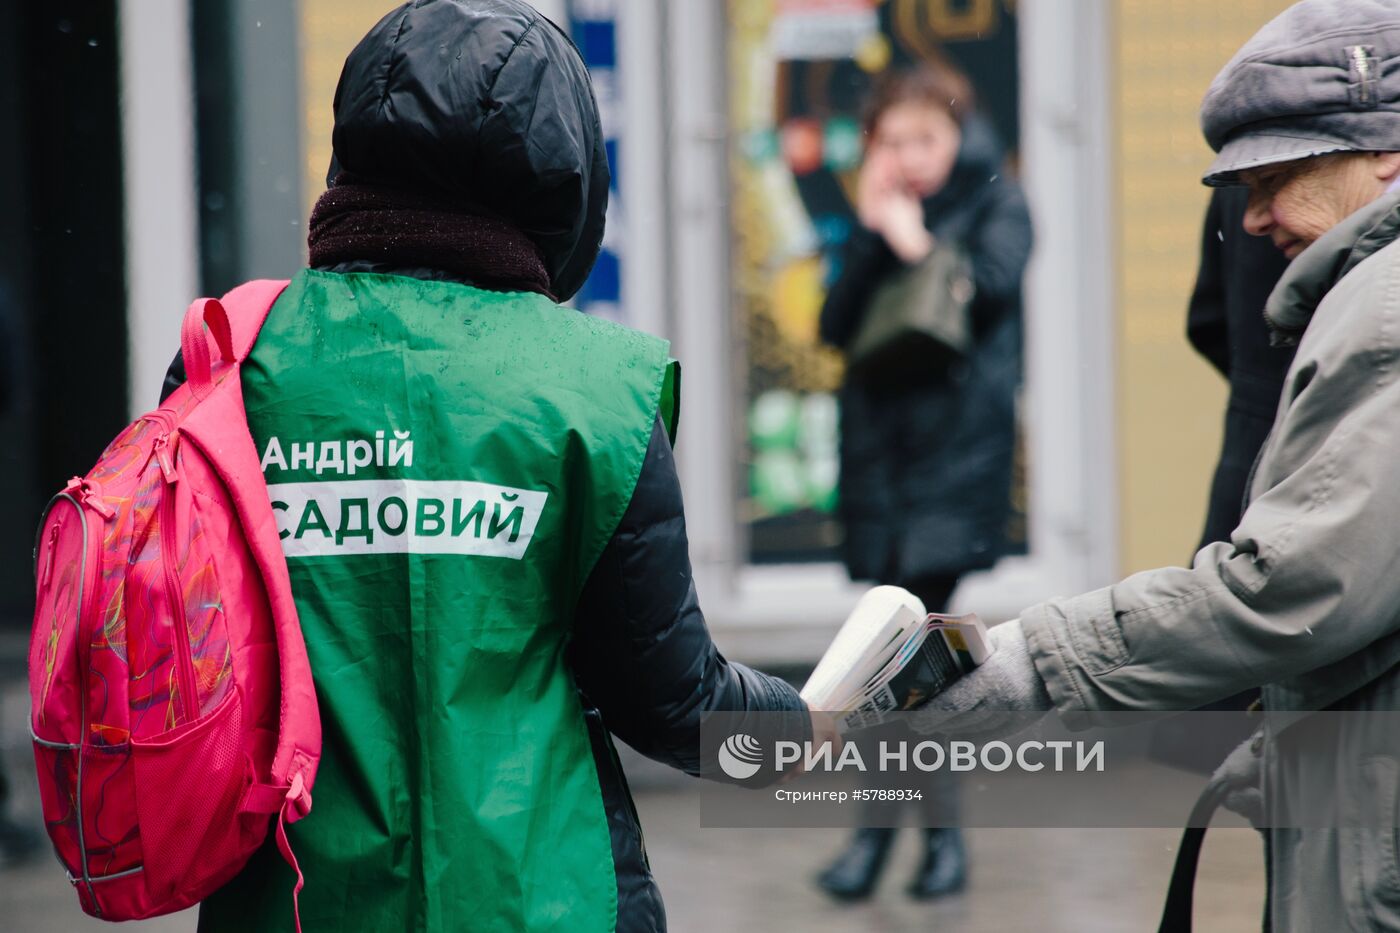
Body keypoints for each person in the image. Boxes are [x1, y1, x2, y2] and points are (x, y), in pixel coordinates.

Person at [161, 3, 829, 930]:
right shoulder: (600, 388)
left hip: (296, 900)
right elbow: (674, 703)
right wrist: (809, 732)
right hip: (541, 895)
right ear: (562, 179)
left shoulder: (233, 358)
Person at [925, 1, 1400, 928]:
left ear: (1386, 149)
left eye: (1280, 176)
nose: (1254, 219)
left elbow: (1291, 589)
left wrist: (1036, 659)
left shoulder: (1383, 314)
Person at [814, 63, 1033, 901]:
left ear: (956, 135)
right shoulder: (876, 217)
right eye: (890, 140)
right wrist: (873, 235)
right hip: (885, 472)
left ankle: (892, 845)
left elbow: (987, 295)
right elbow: (837, 326)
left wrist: (912, 241)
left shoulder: (997, 200)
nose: (908, 156)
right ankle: (923, 847)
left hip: (956, 466)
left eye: (923, 139)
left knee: (903, 661)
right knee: (908, 664)